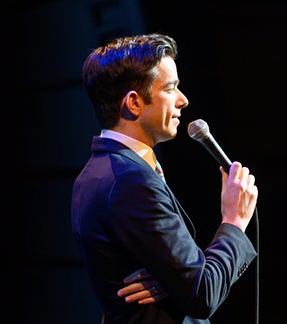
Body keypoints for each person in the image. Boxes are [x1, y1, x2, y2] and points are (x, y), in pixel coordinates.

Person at [71, 33, 259, 323]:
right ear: (133, 103)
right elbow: (202, 293)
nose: (183, 100)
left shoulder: (101, 171)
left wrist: (171, 280)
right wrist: (234, 221)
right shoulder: (130, 181)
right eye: (171, 89)